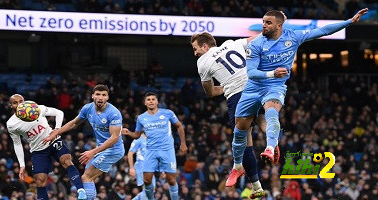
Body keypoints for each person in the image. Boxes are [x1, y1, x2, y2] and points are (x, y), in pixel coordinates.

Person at [238, 8, 368, 164]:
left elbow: (323, 31)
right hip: (253, 87)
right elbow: (251, 72)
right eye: (263, 22)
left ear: (279, 25)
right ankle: (237, 166)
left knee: (271, 111)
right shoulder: (256, 44)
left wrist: (349, 21)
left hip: (275, 87)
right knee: (239, 128)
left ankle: (270, 148)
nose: (263, 25)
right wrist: (272, 73)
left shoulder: (293, 37)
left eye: (268, 22)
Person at [190, 32, 269, 198]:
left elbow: (210, 92)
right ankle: (272, 145)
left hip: (237, 96)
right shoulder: (232, 43)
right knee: (262, 119)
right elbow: (256, 39)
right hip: (257, 86)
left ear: (205, 46)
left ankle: (256, 185)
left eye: (195, 48)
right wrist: (274, 28)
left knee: (244, 140)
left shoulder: (202, 62)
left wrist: (224, 88)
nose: (195, 53)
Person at [43, 84, 125, 200]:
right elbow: (74, 123)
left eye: (104, 95)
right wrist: (56, 132)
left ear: (107, 97)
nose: (100, 97)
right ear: (92, 96)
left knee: (87, 177)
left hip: (114, 150)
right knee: (87, 175)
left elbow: (114, 138)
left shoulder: (114, 113)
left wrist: (93, 152)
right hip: (101, 148)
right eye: (98, 94)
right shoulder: (87, 108)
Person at [6, 94, 87, 200]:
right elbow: (17, 144)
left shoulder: (37, 108)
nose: (19, 104)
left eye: (21, 101)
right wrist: (22, 164)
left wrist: (57, 130)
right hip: (38, 150)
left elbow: (59, 113)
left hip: (53, 141)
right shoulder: (11, 124)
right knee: (40, 180)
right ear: (11, 106)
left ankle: (81, 192)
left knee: (66, 160)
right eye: (15, 103)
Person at [122, 92, 188, 200]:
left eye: (153, 99)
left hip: (167, 150)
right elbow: (137, 135)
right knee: (147, 180)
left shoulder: (167, 113)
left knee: (171, 180)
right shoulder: (141, 118)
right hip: (151, 151)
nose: (151, 101)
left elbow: (179, 126)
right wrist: (129, 132)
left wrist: (183, 143)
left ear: (157, 101)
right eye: (148, 99)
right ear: (145, 102)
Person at [127, 133, 156, 200]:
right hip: (141, 166)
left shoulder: (151, 139)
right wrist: (131, 168)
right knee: (149, 189)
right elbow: (130, 153)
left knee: (150, 190)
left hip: (149, 168)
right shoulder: (138, 139)